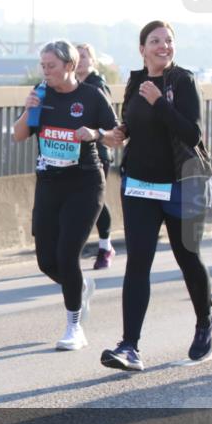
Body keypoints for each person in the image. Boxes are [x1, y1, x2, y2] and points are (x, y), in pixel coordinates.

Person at [101, 21, 212, 372]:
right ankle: (130, 346)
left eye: (168, 41)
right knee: (138, 263)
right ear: (142, 49)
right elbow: (135, 125)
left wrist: (160, 103)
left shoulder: (183, 81)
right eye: (155, 41)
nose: (163, 46)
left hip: (179, 186)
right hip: (139, 186)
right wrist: (117, 134)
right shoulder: (136, 81)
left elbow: (192, 133)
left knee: (188, 258)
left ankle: (204, 319)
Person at [13, 40, 118, 351]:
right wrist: (27, 110)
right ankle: (80, 286)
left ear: (70, 66)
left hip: (85, 184)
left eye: (52, 67)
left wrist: (96, 134)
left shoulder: (91, 96)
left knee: (67, 254)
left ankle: (74, 327)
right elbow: (19, 135)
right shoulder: (41, 93)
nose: (46, 72)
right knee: (46, 261)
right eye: (43, 66)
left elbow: (118, 136)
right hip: (49, 183)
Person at [75, 43, 116, 269]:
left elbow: (111, 123)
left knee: (96, 200)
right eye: (76, 56)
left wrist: (95, 134)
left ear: (93, 60)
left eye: (84, 56)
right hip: (75, 153)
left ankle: (105, 247)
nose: (80, 60)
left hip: (98, 152)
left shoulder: (97, 86)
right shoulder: (68, 86)